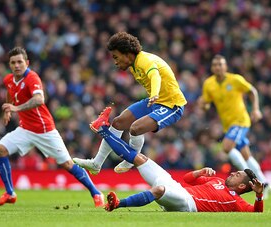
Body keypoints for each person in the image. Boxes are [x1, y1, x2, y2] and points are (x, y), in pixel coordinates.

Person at [90, 107, 264, 212]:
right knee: (141, 159)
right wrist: (200, 172)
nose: (234, 173)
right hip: (180, 188)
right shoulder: (217, 180)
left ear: (242, 186)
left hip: (188, 204)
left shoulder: (237, 202)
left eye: (238, 175)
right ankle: (103, 130)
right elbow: (187, 180)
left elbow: (256, 212)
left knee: (158, 189)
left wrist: (258, 195)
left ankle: (117, 205)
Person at [0, 47, 104, 207]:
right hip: (25, 130)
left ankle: (96, 192)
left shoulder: (32, 78)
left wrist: (16, 108)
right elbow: (10, 91)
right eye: (13, 62)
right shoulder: (8, 79)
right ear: (9, 64)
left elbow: (39, 99)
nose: (17, 65)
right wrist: (8, 109)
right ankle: (10, 193)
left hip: (45, 130)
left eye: (20, 62)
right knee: (0, 150)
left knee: (68, 165)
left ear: (27, 63)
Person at [73, 31, 187, 174]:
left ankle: (130, 160)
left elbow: (155, 75)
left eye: (116, 57)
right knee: (118, 122)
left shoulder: (143, 60)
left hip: (171, 105)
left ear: (127, 53)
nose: (115, 62)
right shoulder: (133, 65)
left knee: (135, 128)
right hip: (155, 101)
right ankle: (96, 163)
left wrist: (155, 93)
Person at [197, 54, 269, 190]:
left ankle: (250, 177)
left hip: (241, 120)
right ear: (212, 68)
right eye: (215, 65)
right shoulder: (209, 84)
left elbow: (252, 91)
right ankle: (263, 181)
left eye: (220, 64)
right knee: (246, 155)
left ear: (225, 67)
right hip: (228, 125)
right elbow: (206, 103)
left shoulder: (235, 80)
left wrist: (255, 109)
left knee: (226, 147)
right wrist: (203, 105)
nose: (218, 67)